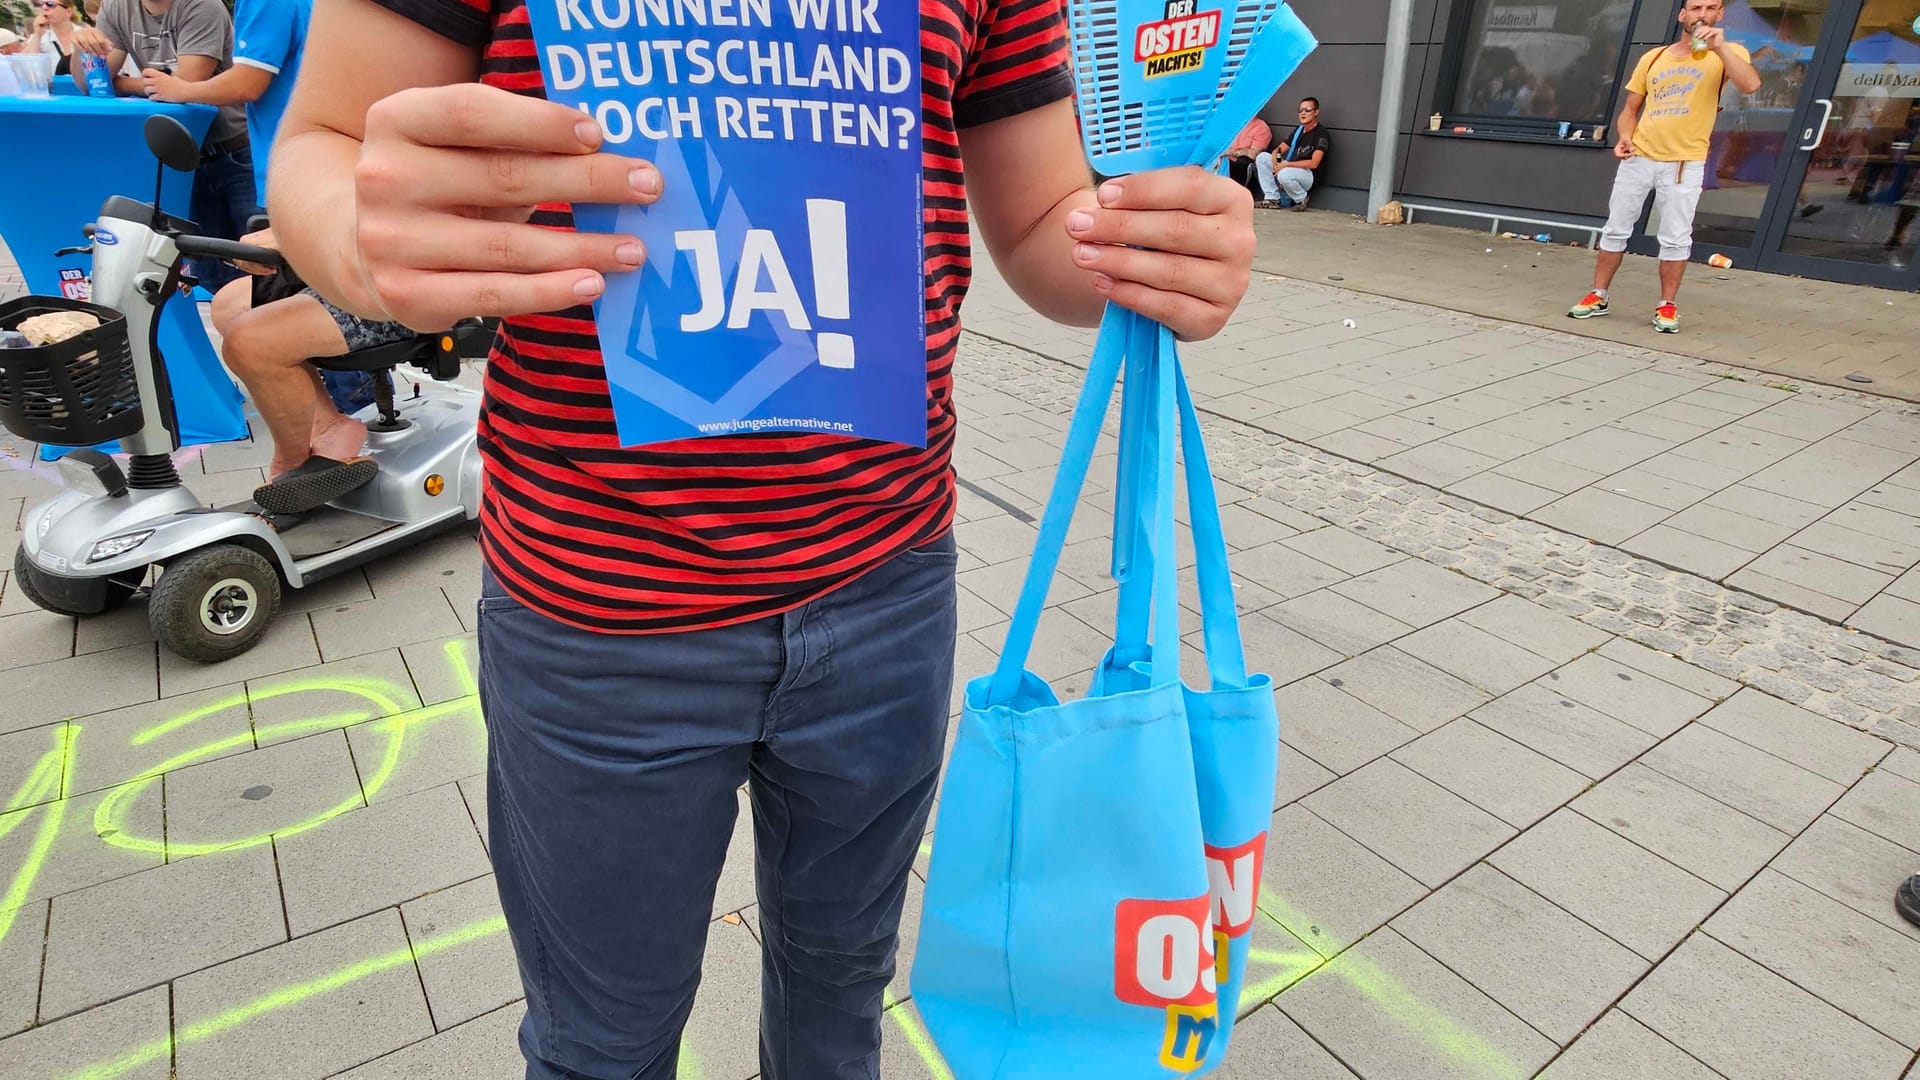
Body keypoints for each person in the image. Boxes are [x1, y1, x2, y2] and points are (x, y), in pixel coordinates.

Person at [268, 1, 1255, 1077]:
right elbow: (325, 141)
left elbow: (1038, 220)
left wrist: (1149, 245)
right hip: (602, 607)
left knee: (842, 988)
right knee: (602, 1043)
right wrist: (362, 243)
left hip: (887, 581)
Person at [146, 0, 406, 513]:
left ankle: (291, 462)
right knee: (229, 304)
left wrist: (294, 235)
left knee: (252, 341)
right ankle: (329, 426)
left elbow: (378, 187)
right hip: (334, 240)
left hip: (391, 278)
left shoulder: (367, 97)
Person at [1568, 0, 1760, 333]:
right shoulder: (1654, 57)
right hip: (1640, 156)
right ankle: (1598, 295)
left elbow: (1750, 85)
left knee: (1675, 237)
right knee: (1616, 228)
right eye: (1695, 7)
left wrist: (1719, 48)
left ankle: (1667, 305)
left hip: (1684, 160)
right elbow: (1630, 109)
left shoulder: (1729, 53)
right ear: (1682, 15)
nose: (1702, 14)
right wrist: (1625, 136)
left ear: (1720, 14)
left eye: (1710, 8)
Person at [69, 0, 256, 290]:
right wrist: (84, 49)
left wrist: (124, 85)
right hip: (183, 156)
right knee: (208, 269)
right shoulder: (118, 8)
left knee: (258, 260)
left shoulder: (202, 6)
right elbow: (93, 84)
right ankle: (237, 329)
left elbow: (185, 85)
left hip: (236, 150)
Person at [1255, 97, 1330, 210]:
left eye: (1307, 110)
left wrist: (1286, 165)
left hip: (1310, 175)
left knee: (1284, 174)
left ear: (1316, 112)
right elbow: (1278, 150)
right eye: (1300, 110)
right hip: (1291, 168)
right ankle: (1272, 198)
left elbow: (1314, 163)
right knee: (1262, 158)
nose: (1303, 113)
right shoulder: (1298, 131)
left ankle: (1301, 198)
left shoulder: (1321, 133)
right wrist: (1277, 162)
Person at [1223, 114, 1273, 202]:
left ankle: (1237, 196)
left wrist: (1231, 152)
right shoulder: (1229, 123)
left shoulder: (1261, 127)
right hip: (1224, 162)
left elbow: (1252, 154)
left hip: (1246, 168)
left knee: (1243, 161)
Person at [26, 0, 83, 76]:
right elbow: (28, 68)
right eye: (41, 4)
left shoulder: (83, 34)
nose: (44, 7)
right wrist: (37, 35)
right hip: (52, 87)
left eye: (50, 4)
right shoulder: (39, 38)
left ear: (68, 12)